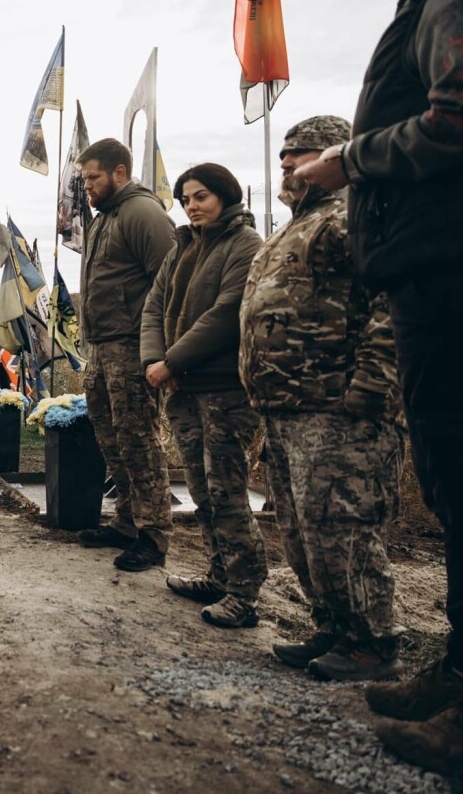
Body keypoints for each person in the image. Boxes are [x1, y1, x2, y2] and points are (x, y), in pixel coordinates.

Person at [295, 0, 463, 772]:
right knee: (452, 482)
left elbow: (459, 118)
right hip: (433, 268)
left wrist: (350, 161)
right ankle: (460, 669)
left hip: (450, 272)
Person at [240, 115, 405, 678]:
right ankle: (331, 626)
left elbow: (392, 302)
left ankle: (371, 642)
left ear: (335, 161)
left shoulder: (356, 217)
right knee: (300, 530)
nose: (285, 163)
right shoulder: (293, 228)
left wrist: (373, 384)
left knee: (342, 527)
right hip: (287, 408)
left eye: (300, 154)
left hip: (339, 408)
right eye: (283, 154)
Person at [141, 163, 266, 628]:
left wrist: (171, 361)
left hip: (225, 391)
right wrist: (156, 362)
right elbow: (155, 305)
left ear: (226, 196)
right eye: (186, 199)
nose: (192, 206)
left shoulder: (245, 246)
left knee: (227, 491)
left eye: (201, 197)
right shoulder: (183, 247)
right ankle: (218, 574)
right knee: (201, 490)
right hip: (184, 387)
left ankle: (244, 592)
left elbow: (226, 312)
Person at [73, 138, 177, 572]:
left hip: (133, 349)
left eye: (93, 178)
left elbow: (170, 283)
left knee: (138, 440)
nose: (87, 187)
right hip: (101, 347)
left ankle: (154, 535)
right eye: (84, 180)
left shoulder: (143, 214)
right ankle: (127, 521)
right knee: (111, 438)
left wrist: (159, 353)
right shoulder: (103, 220)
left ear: (119, 172)